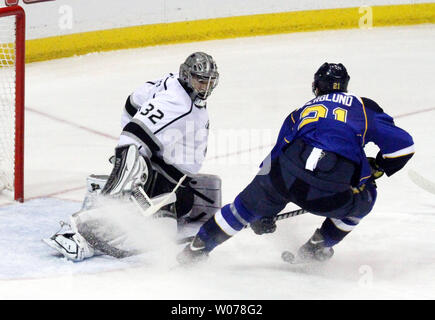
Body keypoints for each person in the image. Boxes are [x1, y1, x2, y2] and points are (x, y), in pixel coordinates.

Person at [177, 62, 415, 264]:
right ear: (346, 87)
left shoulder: (299, 112)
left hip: (285, 177)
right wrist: (379, 167)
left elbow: (274, 157)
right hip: (331, 192)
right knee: (366, 197)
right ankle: (317, 247)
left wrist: (263, 209)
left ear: (315, 87)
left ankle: (197, 249)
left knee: (243, 208)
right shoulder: (363, 107)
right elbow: (404, 147)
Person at [44, 52, 222, 261]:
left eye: (210, 82)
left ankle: (111, 195)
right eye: (200, 81)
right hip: (160, 181)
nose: (205, 88)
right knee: (161, 230)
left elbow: (133, 101)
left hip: (168, 176)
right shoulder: (178, 103)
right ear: (186, 75)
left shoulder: (172, 83)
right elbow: (132, 135)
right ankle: (79, 229)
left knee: (178, 206)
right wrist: (130, 171)